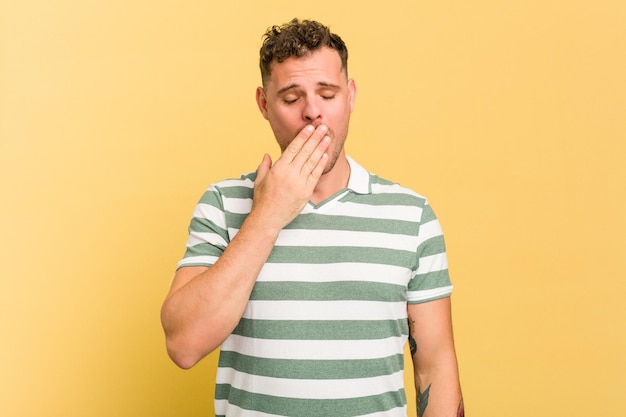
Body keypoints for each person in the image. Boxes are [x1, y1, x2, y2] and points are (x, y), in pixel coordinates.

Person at [161, 18, 464, 417]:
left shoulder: (412, 216)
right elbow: (183, 345)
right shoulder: (222, 204)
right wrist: (268, 215)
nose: (313, 113)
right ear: (264, 104)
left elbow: (436, 367)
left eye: (328, 94)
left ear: (351, 96)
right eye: (290, 98)